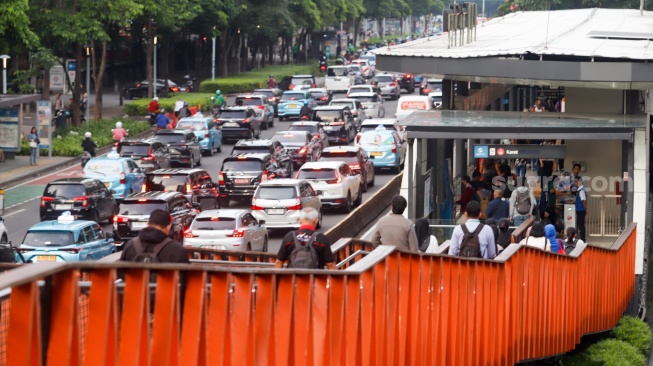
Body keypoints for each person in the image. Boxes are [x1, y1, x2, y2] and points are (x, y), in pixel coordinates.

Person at [120, 209, 190, 263]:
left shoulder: (130, 245)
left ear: (148, 224)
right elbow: (185, 277)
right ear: (168, 227)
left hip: (134, 282)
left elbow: (120, 274)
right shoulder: (177, 249)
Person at [574, 176, 588, 242]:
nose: (575, 183)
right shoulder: (579, 190)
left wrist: (586, 209)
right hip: (579, 210)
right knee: (580, 225)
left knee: (581, 226)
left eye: (576, 181)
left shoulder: (581, 191)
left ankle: (583, 239)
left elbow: (583, 200)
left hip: (581, 210)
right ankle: (581, 239)